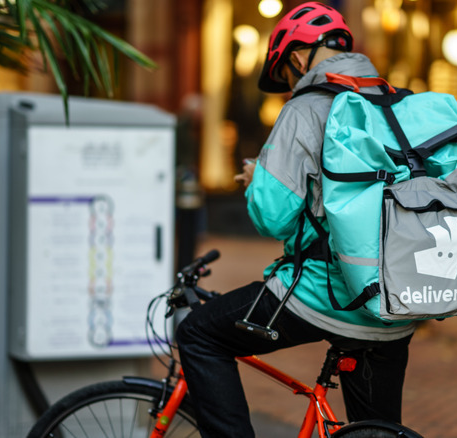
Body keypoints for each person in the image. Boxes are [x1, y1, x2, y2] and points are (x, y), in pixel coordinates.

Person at [175, 3, 415, 437]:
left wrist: (257, 181)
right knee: (376, 432)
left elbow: (272, 218)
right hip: (397, 299)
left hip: (327, 292)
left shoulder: (305, 108)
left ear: (298, 57)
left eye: (287, 73)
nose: (290, 85)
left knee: (198, 334)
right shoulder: (395, 103)